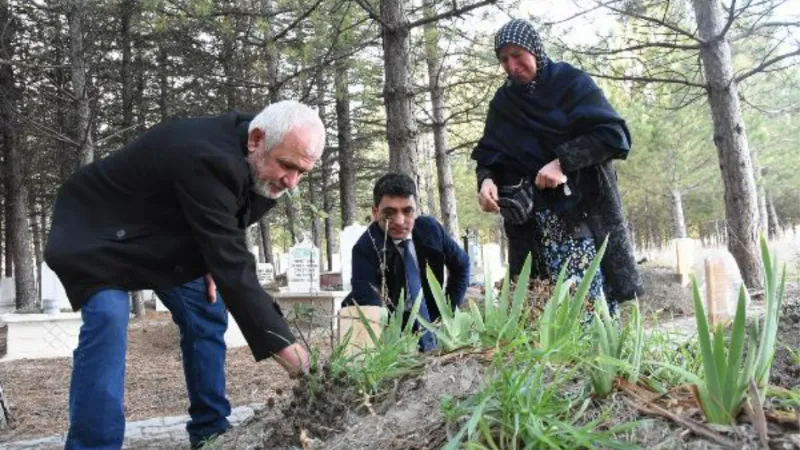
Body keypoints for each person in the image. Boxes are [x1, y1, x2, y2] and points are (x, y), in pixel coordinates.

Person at [44, 100, 325, 450]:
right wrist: (291, 354)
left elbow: (226, 219)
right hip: (96, 231)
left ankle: (211, 433)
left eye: (303, 172)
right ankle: (93, 445)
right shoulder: (207, 156)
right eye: (287, 166)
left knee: (207, 310)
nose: (292, 182)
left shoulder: (265, 149)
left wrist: (208, 256)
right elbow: (234, 265)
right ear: (256, 139)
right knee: (107, 319)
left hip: (161, 236)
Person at [471, 19, 644, 318]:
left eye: (517, 55)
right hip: (528, 227)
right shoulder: (503, 103)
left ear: (534, 50)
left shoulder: (570, 83)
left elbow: (613, 135)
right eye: (503, 59)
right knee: (538, 316)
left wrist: (562, 162)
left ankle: (597, 363)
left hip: (580, 217)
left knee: (587, 314)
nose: (511, 66)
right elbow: (490, 155)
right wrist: (486, 181)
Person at [343, 173, 470, 351]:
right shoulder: (365, 248)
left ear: (416, 209)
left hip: (432, 320)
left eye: (407, 211)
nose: (400, 221)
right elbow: (369, 302)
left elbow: (462, 264)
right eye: (389, 213)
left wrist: (446, 310)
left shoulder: (430, 230)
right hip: (392, 328)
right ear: (375, 212)